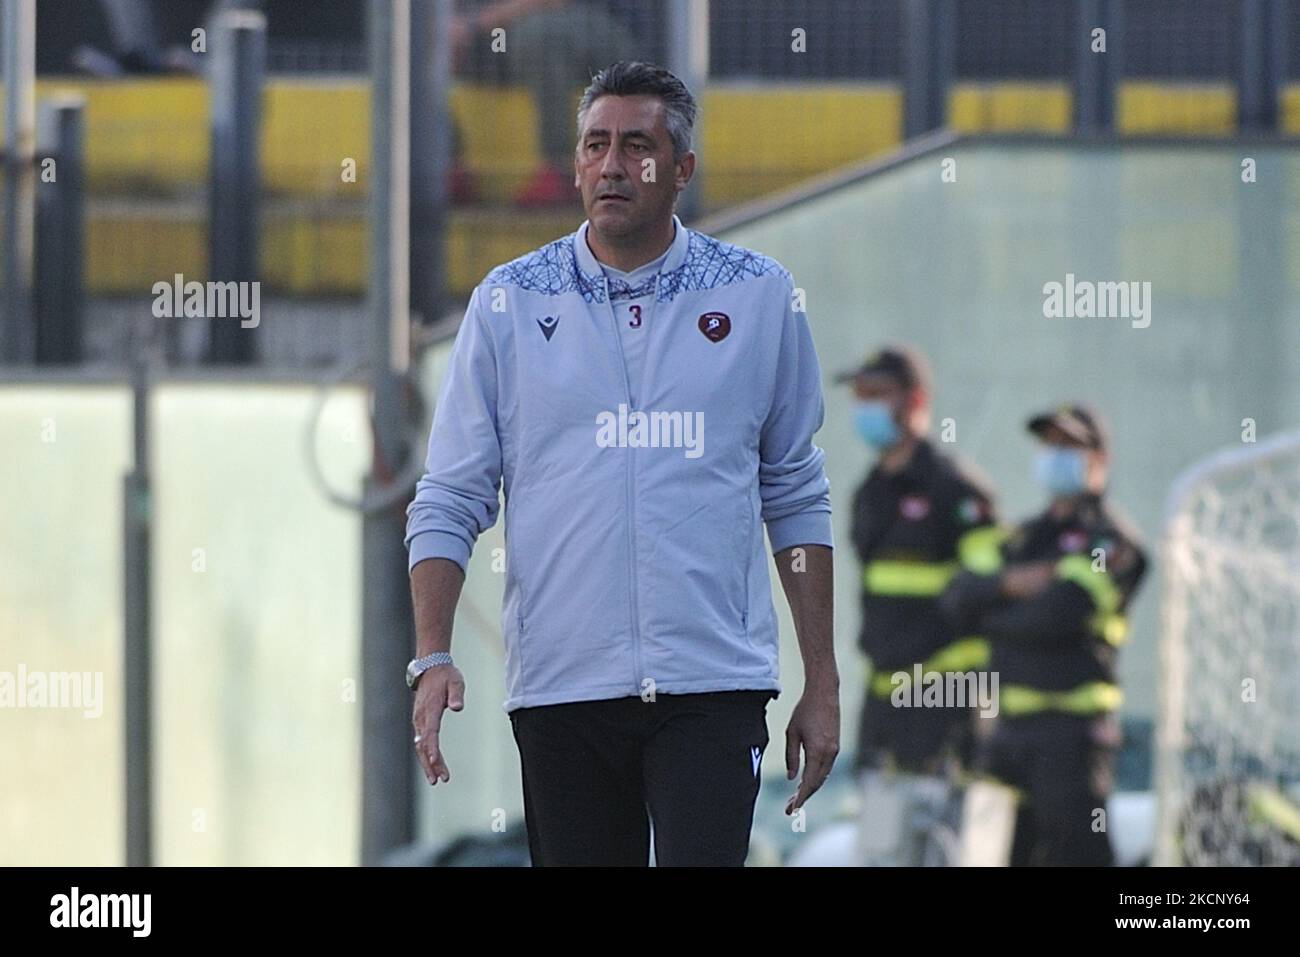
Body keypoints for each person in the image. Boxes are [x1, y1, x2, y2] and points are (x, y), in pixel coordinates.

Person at [404, 61, 839, 866]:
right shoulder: (509, 301)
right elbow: (449, 495)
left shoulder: (758, 295)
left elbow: (796, 490)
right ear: (574, 164)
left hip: (713, 681)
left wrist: (823, 677)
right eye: (594, 144)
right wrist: (432, 655)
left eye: (636, 146)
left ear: (682, 170)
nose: (610, 165)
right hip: (564, 685)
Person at [940, 404, 1148, 866]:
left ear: (1100, 459)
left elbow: (1060, 615)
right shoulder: (1021, 538)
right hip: (1005, 738)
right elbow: (956, 600)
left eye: (1069, 446)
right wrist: (1027, 582)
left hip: (1072, 740)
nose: (1056, 456)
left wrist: (998, 603)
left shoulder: (1112, 541)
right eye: (1050, 445)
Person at [836, 346, 1001, 865]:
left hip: (946, 700)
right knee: (883, 848)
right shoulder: (869, 493)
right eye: (858, 395)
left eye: (876, 395)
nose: (863, 408)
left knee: (946, 849)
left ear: (915, 401)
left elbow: (988, 591)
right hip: (885, 703)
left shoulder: (958, 490)